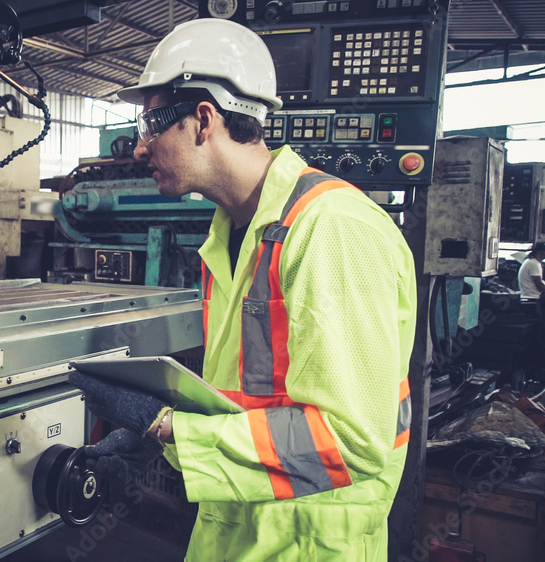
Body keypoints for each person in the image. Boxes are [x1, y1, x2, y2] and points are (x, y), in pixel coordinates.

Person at [69, 18, 417, 561]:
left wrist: (166, 428)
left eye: (148, 125)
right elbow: (250, 403)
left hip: (305, 544)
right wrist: (155, 446)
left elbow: (348, 442)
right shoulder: (233, 234)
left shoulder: (331, 230)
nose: (139, 149)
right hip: (236, 531)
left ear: (202, 119)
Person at [518, 242, 545, 317]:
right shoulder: (534, 264)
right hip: (532, 299)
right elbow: (539, 286)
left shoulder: (530, 261)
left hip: (529, 296)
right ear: (540, 252)